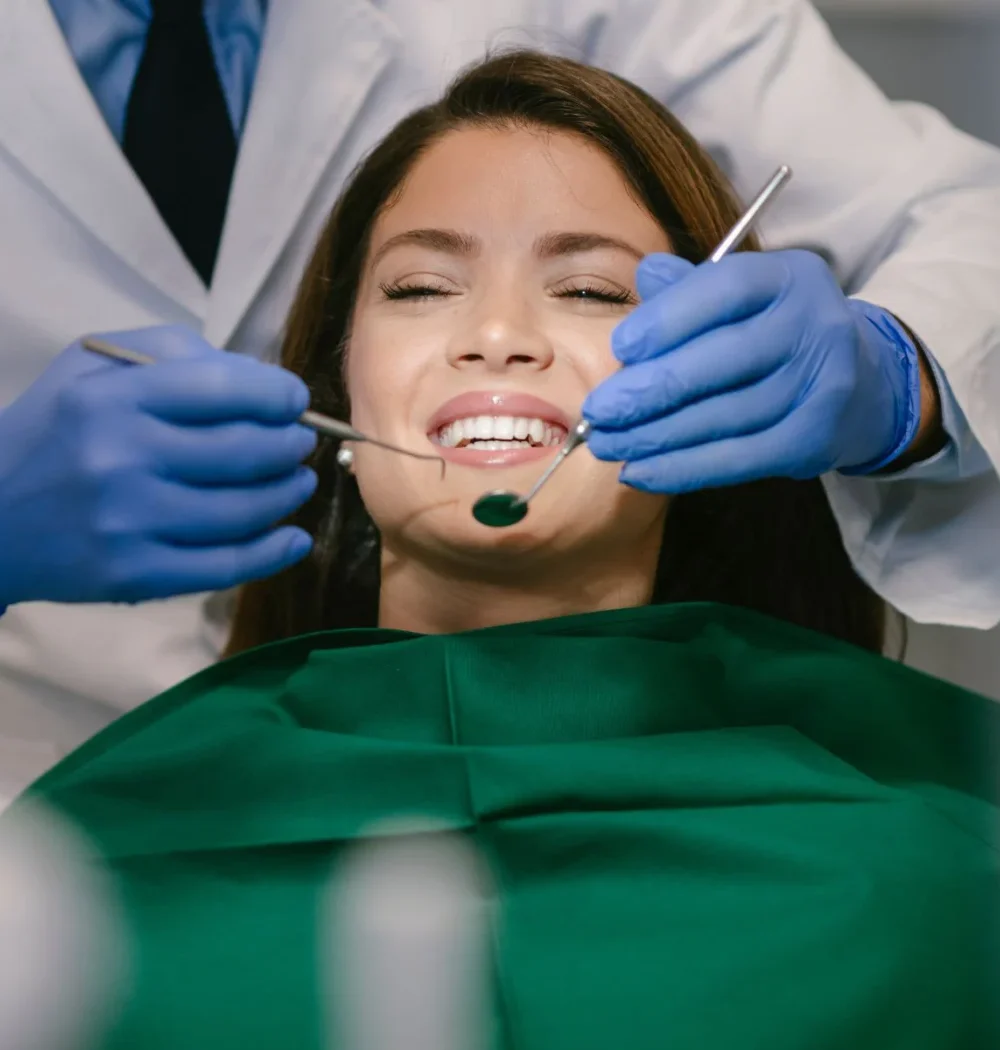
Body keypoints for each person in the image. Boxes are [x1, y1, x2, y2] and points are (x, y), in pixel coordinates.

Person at [13, 52, 998, 1050]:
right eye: (421, 285)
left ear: (722, 390)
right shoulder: (61, 879)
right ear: (340, 393)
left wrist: (896, 379)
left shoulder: (947, 877)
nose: (495, 334)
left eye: (587, 290)